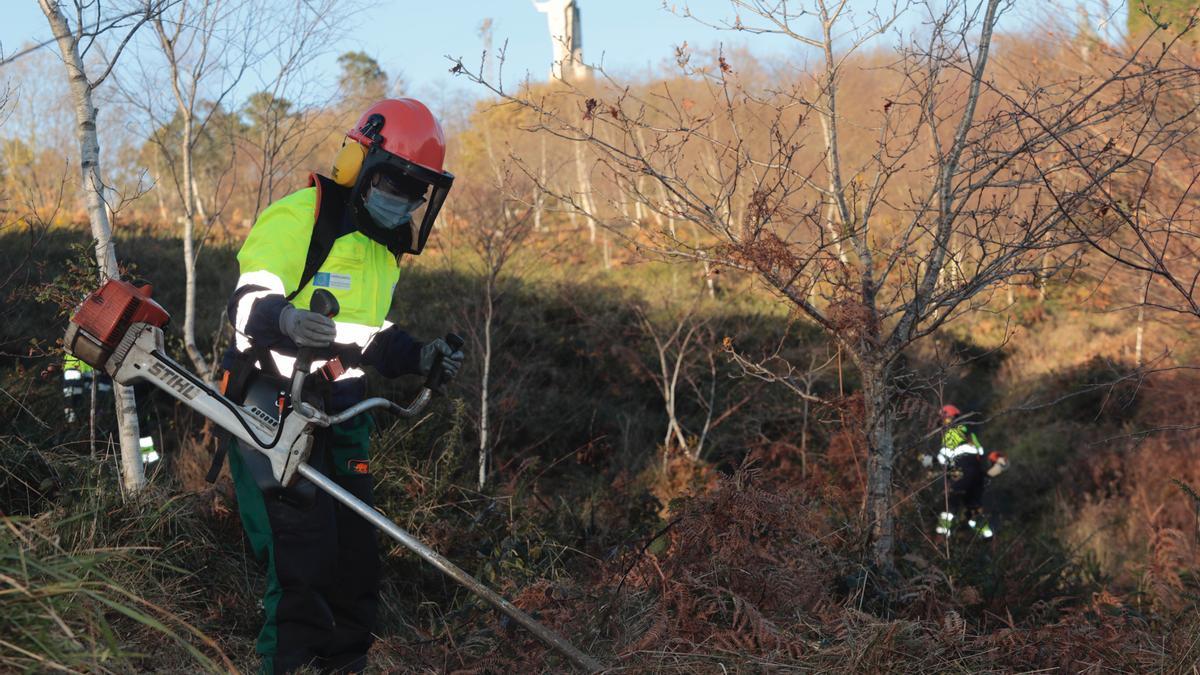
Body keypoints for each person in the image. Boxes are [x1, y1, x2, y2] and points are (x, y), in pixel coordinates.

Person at [219, 98, 464, 674]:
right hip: (274, 402)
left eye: (413, 189)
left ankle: (346, 660)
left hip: (344, 410)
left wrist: (418, 355)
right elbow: (246, 301)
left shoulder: (385, 248)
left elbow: (366, 332)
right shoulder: (300, 217)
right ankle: (286, 664)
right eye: (392, 180)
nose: (400, 197)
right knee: (302, 550)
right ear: (360, 163)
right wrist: (281, 318)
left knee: (355, 552)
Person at [927, 404, 1007, 539]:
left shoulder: (951, 433)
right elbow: (980, 452)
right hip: (977, 476)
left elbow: (943, 458)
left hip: (962, 474)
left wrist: (928, 460)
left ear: (948, 419)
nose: (942, 424)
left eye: (943, 420)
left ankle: (941, 538)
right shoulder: (970, 433)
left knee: (950, 504)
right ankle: (987, 537)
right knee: (973, 509)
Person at [62, 353, 158, 464]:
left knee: (138, 426)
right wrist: (72, 418)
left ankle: (147, 464)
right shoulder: (74, 354)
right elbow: (71, 390)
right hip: (94, 414)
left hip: (115, 406)